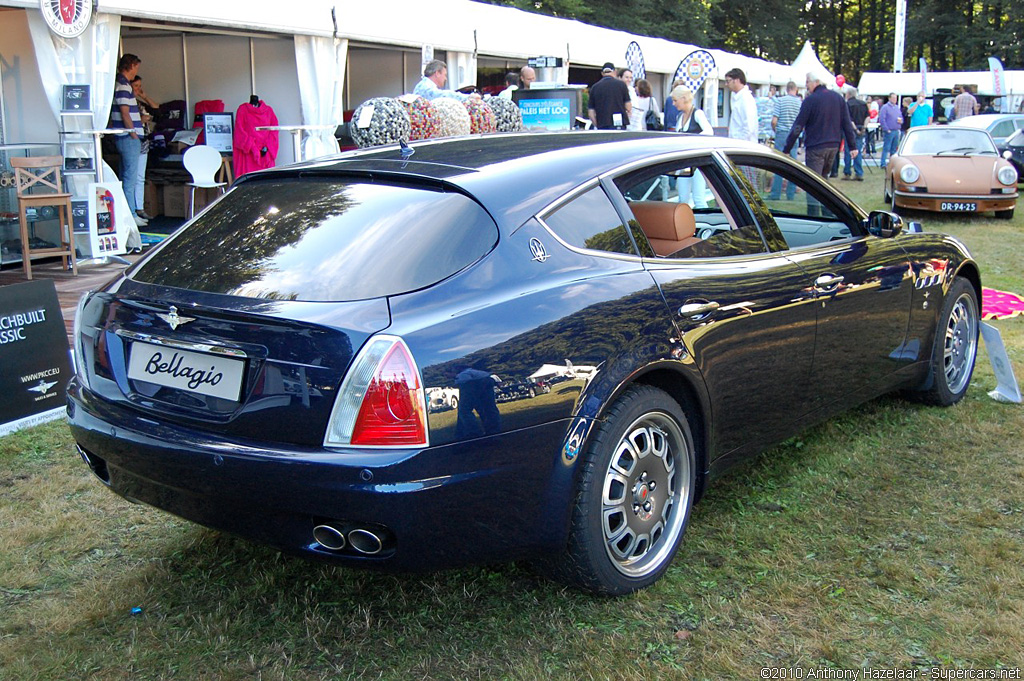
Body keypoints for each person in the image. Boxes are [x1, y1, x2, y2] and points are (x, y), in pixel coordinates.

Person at [782, 72, 857, 182]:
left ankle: (814, 199)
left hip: (816, 146)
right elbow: (846, 122)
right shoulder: (838, 98)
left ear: (816, 82)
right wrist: (852, 146)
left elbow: (799, 125)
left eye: (807, 82)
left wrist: (787, 148)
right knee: (824, 180)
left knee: (813, 183)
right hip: (833, 146)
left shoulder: (810, 100)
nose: (806, 85)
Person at [109, 53, 147, 227]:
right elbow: (125, 112)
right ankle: (131, 214)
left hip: (126, 136)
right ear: (130, 66)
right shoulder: (123, 86)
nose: (136, 72)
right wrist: (133, 133)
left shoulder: (122, 84)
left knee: (128, 175)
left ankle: (130, 213)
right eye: (136, 67)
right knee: (130, 177)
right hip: (127, 136)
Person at [670, 85, 712, 207]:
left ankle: (704, 225)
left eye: (675, 100)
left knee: (698, 198)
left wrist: (691, 142)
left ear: (683, 98)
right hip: (684, 162)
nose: (673, 104)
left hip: (697, 162)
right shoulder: (680, 117)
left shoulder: (697, 114)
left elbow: (709, 132)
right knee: (682, 199)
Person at [130, 75, 159, 221]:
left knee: (140, 177)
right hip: (132, 140)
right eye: (136, 86)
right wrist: (140, 121)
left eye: (139, 86)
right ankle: (132, 209)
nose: (138, 89)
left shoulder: (139, 103)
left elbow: (156, 110)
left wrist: (144, 96)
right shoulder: (125, 103)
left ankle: (140, 207)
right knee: (131, 176)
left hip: (144, 141)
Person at [769, 81, 802, 200]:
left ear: (786, 89)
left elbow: (774, 121)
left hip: (782, 133)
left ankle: (775, 193)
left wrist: (775, 130)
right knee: (792, 165)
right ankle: (790, 193)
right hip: (794, 134)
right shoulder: (799, 103)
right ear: (796, 89)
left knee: (779, 163)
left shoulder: (780, 101)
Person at [588, 62, 631, 130]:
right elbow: (628, 106)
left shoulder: (594, 87)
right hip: (619, 123)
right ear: (614, 72)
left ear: (602, 73)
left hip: (602, 124)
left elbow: (591, 113)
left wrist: (597, 124)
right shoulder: (621, 85)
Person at [724, 68, 758, 143]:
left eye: (728, 81)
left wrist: (740, 143)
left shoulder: (746, 99)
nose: (726, 84)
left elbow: (749, 127)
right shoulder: (736, 97)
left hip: (745, 146)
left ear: (737, 80)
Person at [842, 86, 869, 181]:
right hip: (862, 127)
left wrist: (855, 129)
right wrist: (864, 128)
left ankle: (847, 172)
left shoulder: (847, 104)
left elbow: (849, 119)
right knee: (858, 151)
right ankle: (859, 172)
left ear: (848, 94)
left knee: (848, 151)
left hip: (850, 130)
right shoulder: (863, 104)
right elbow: (867, 117)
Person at [877, 92, 903, 168]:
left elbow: (900, 117)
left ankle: (892, 163)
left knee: (894, 148)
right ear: (889, 98)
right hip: (889, 131)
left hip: (896, 130)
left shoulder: (897, 108)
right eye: (893, 98)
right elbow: (882, 119)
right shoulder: (885, 107)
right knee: (886, 147)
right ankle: (883, 163)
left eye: (896, 98)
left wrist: (901, 121)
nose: (895, 99)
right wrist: (886, 129)